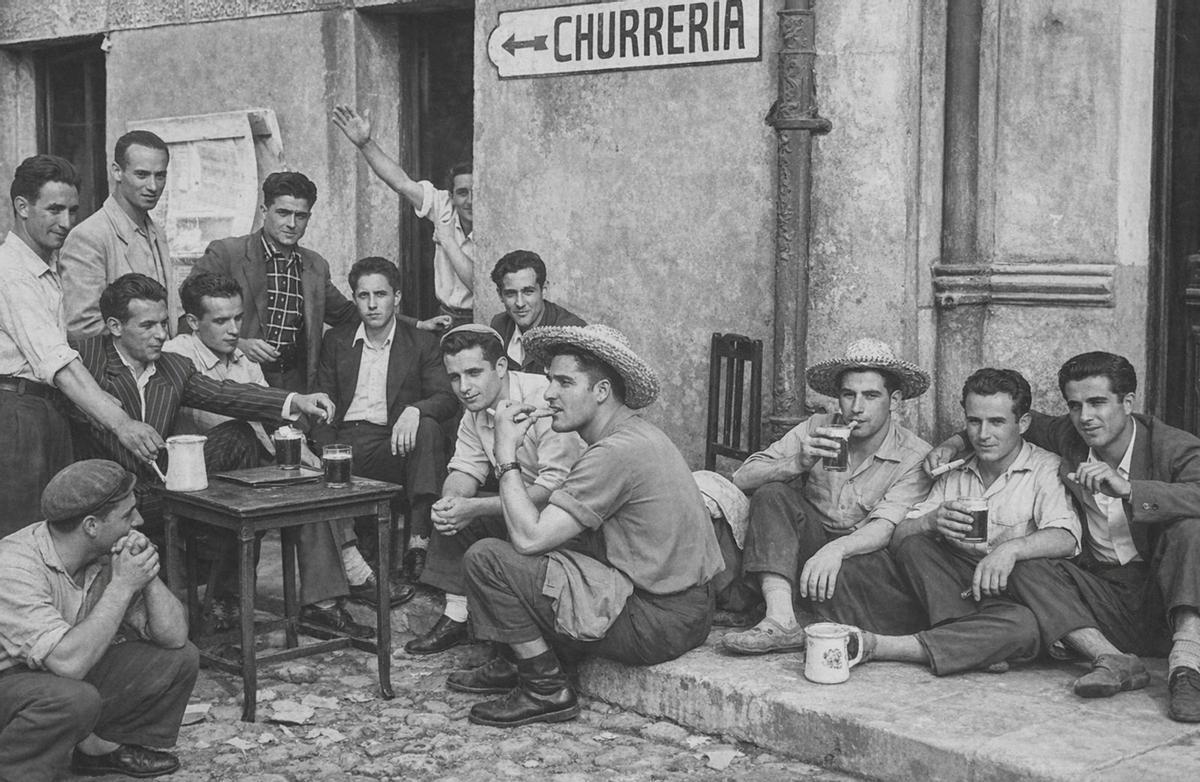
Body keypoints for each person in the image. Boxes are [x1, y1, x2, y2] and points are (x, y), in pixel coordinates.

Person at [447, 324, 724, 728]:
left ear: (601, 392)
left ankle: (545, 689)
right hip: (686, 607)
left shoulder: (613, 453)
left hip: (658, 620)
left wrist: (506, 454)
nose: (549, 394)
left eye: (564, 382)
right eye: (548, 381)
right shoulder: (637, 434)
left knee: (489, 557)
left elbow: (529, 538)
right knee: (537, 539)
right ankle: (514, 660)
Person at [68, 274, 364, 637]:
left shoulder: (173, 367)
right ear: (115, 327)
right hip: (106, 499)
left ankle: (226, 606)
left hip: (165, 490)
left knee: (241, 439)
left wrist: (295, 400)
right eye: (147, 326)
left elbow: (228, 394)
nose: (160, 334)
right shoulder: (85, 359)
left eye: (163, 323)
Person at [927, 352, 1200, 720]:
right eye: (1075, 405)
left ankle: (1186, 668)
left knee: (1191, 526)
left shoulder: (1169, 445)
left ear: (1128, 402)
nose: (1085, 417)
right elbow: (997, 422)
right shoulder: (1068, 435)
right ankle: (1112, 659)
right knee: (1024, 560)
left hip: (1164, 591)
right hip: (1102, 593)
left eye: (1098, 402)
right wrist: (954, 444)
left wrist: (1131, 489)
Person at [164, 273, 408, 632]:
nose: (234, 330)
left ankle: (325, 599)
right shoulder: (178, 355)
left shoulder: (241, 358)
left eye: (237, 318)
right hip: (203, 478)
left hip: (248, 471)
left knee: (312, 475)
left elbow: (271, 419)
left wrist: (299, 450)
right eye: (220, 321)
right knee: (262, 448)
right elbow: (235, 401)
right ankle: (345, 578)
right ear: (192, 322)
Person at [819, 368, 1081, 676]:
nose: (983, 435)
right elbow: (901, 539)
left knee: (1025, 627)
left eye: (996, 422)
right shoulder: (954, 469)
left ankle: (886, 646)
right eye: (974, 421)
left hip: (1004, 598)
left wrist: (1010, 551)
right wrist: (930, 521)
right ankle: (970, 644)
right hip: (947, 593)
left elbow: (1066, 537)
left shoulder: (1045, 468)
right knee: (881, 558)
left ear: (1022, 423)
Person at [720, 338, 933, 655]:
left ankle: (799, 612)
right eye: (849, 395)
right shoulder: (819, 427)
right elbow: (741, 478)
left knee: (870, 575)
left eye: (871, 395)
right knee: (772, 494)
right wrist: (795, 463)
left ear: (895, 400)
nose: (857, 407)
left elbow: (884, 527)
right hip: (809, 542)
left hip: (860, 555)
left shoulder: (914, 455)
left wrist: (835, 551)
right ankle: (781, 620)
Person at [0, 460, 198, 781]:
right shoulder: (14, 567)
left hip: (48, 672)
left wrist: (146, 576)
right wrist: (122, 586)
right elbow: (70, 664)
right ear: (91, 526)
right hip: (10, 682)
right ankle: (16, 770)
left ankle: (96, 749)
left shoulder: (101, 553)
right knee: (75, 699)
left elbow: (174, 636)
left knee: (179, 659)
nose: (139, 520)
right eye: (127, 515)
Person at [0, 155, 162, 536]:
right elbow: (58, 362)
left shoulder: (46, 266)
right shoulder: (11, 271)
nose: (67, 222)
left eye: (73, 210)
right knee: (24, 537)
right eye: (54, 210)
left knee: (57, 535)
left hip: (44, 411)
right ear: (22, 207)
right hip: (16, 416)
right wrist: (121, 423)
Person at [406, 324, 585, 655]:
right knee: (455, 507)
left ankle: (509, 640)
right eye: (455, 377)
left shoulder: (544, 399)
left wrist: (473, 508)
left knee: (474, 511)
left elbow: (552, 487)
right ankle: (456, 615)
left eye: (474, 373)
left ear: (501, 367)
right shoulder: (476, 411)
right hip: (524, 500)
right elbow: (464, 468)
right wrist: (452, 502)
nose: (465, 387)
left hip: (568, 511)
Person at [311, 257, 458, 582]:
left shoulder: (420, 342)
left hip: (393, 443)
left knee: (429, 429)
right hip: (345, 444)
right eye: (364, 296)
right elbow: (323, 404)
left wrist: (416, 410)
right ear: (354, 299)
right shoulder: (336, 341)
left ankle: (418, 544)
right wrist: (324, 451)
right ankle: (354, 554)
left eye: (381, 294)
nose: (373, 304)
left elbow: (446, 398)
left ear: (397, 297)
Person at [189, 171, 357, 393]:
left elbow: (348, 314)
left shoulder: (315, 265)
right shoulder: (227, 253)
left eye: (301, 216)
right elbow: (188, 315)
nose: (291, 224)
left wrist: (414, 325)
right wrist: (238, 344)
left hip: (294, 380)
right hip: (236, 376)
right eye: (283, 213)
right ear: (264, 211)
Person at [332, 104, 474, 330]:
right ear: (452, 195)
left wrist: (447, 241)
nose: (469, 201)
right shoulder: (444, 205)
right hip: (445, 316)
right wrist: (365, 144)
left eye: (476, 193)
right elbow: (401, 182)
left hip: (480, 316)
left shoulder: (493, 223)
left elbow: (480, 286)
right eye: (462, 193)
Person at [60, 130, 176, 340]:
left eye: (160, 175)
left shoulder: (157, 231)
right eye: (142, 175)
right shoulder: (89, 236)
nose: (153, 186)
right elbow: (82, 327)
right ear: (117, 172)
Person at [488, 250, 586, 374]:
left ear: (544, 290)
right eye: (510, 294)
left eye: (528, 292)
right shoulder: (499, 326)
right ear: (500, 295)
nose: (520, 303)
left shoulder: (570, 333)